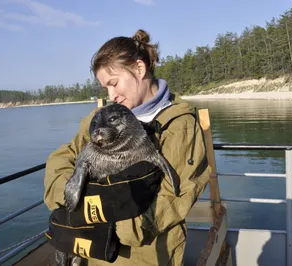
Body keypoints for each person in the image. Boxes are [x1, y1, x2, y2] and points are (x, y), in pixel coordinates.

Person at [43, 29, 211, 265]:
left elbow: (170, 201)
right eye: (105, 89)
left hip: (146, 255)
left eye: (114, 83)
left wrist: (102, 225)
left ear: (139, 69)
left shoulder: (180, 124)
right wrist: (73, 202)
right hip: (95, 254)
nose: (112, 95)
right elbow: (62, 158)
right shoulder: (100, 118)